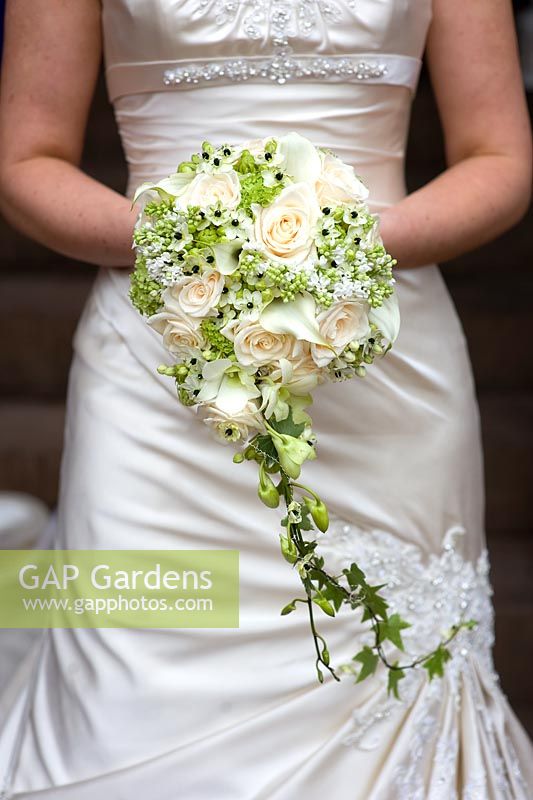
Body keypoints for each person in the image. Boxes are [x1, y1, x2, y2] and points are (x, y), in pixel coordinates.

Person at [0, 0, 532, 797]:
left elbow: (498, 158)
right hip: (157, 378)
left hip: (381, 368)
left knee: (381, 679)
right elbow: (25, 162)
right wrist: (185, 246)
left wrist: (341, 251)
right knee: (135, 677)